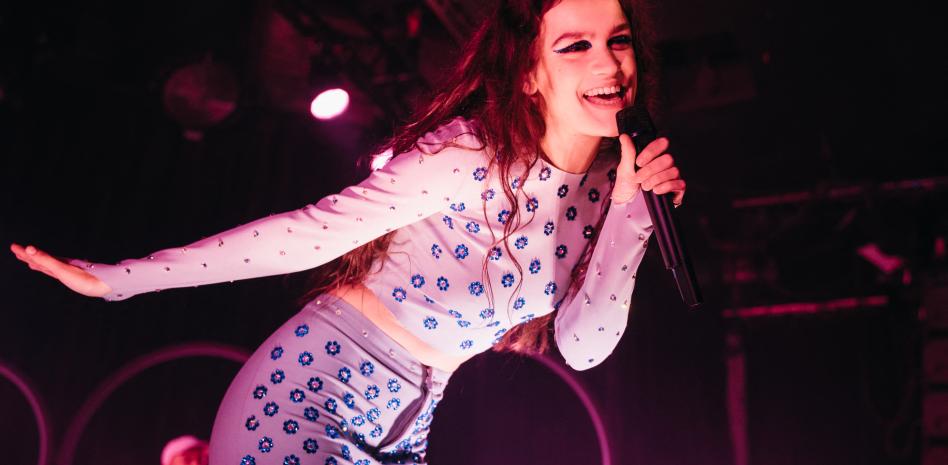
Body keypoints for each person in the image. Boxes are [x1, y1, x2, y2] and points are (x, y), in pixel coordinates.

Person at [11, 0, 686, 463]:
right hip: (308, 394)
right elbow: (308, 234)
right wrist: (120, 280)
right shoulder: (470, 153)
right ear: (531, 74)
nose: (608, 63)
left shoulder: (610, 191)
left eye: (618, 40)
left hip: (406, 430)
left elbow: (584, 345)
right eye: (577, 45)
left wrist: (632, 213)